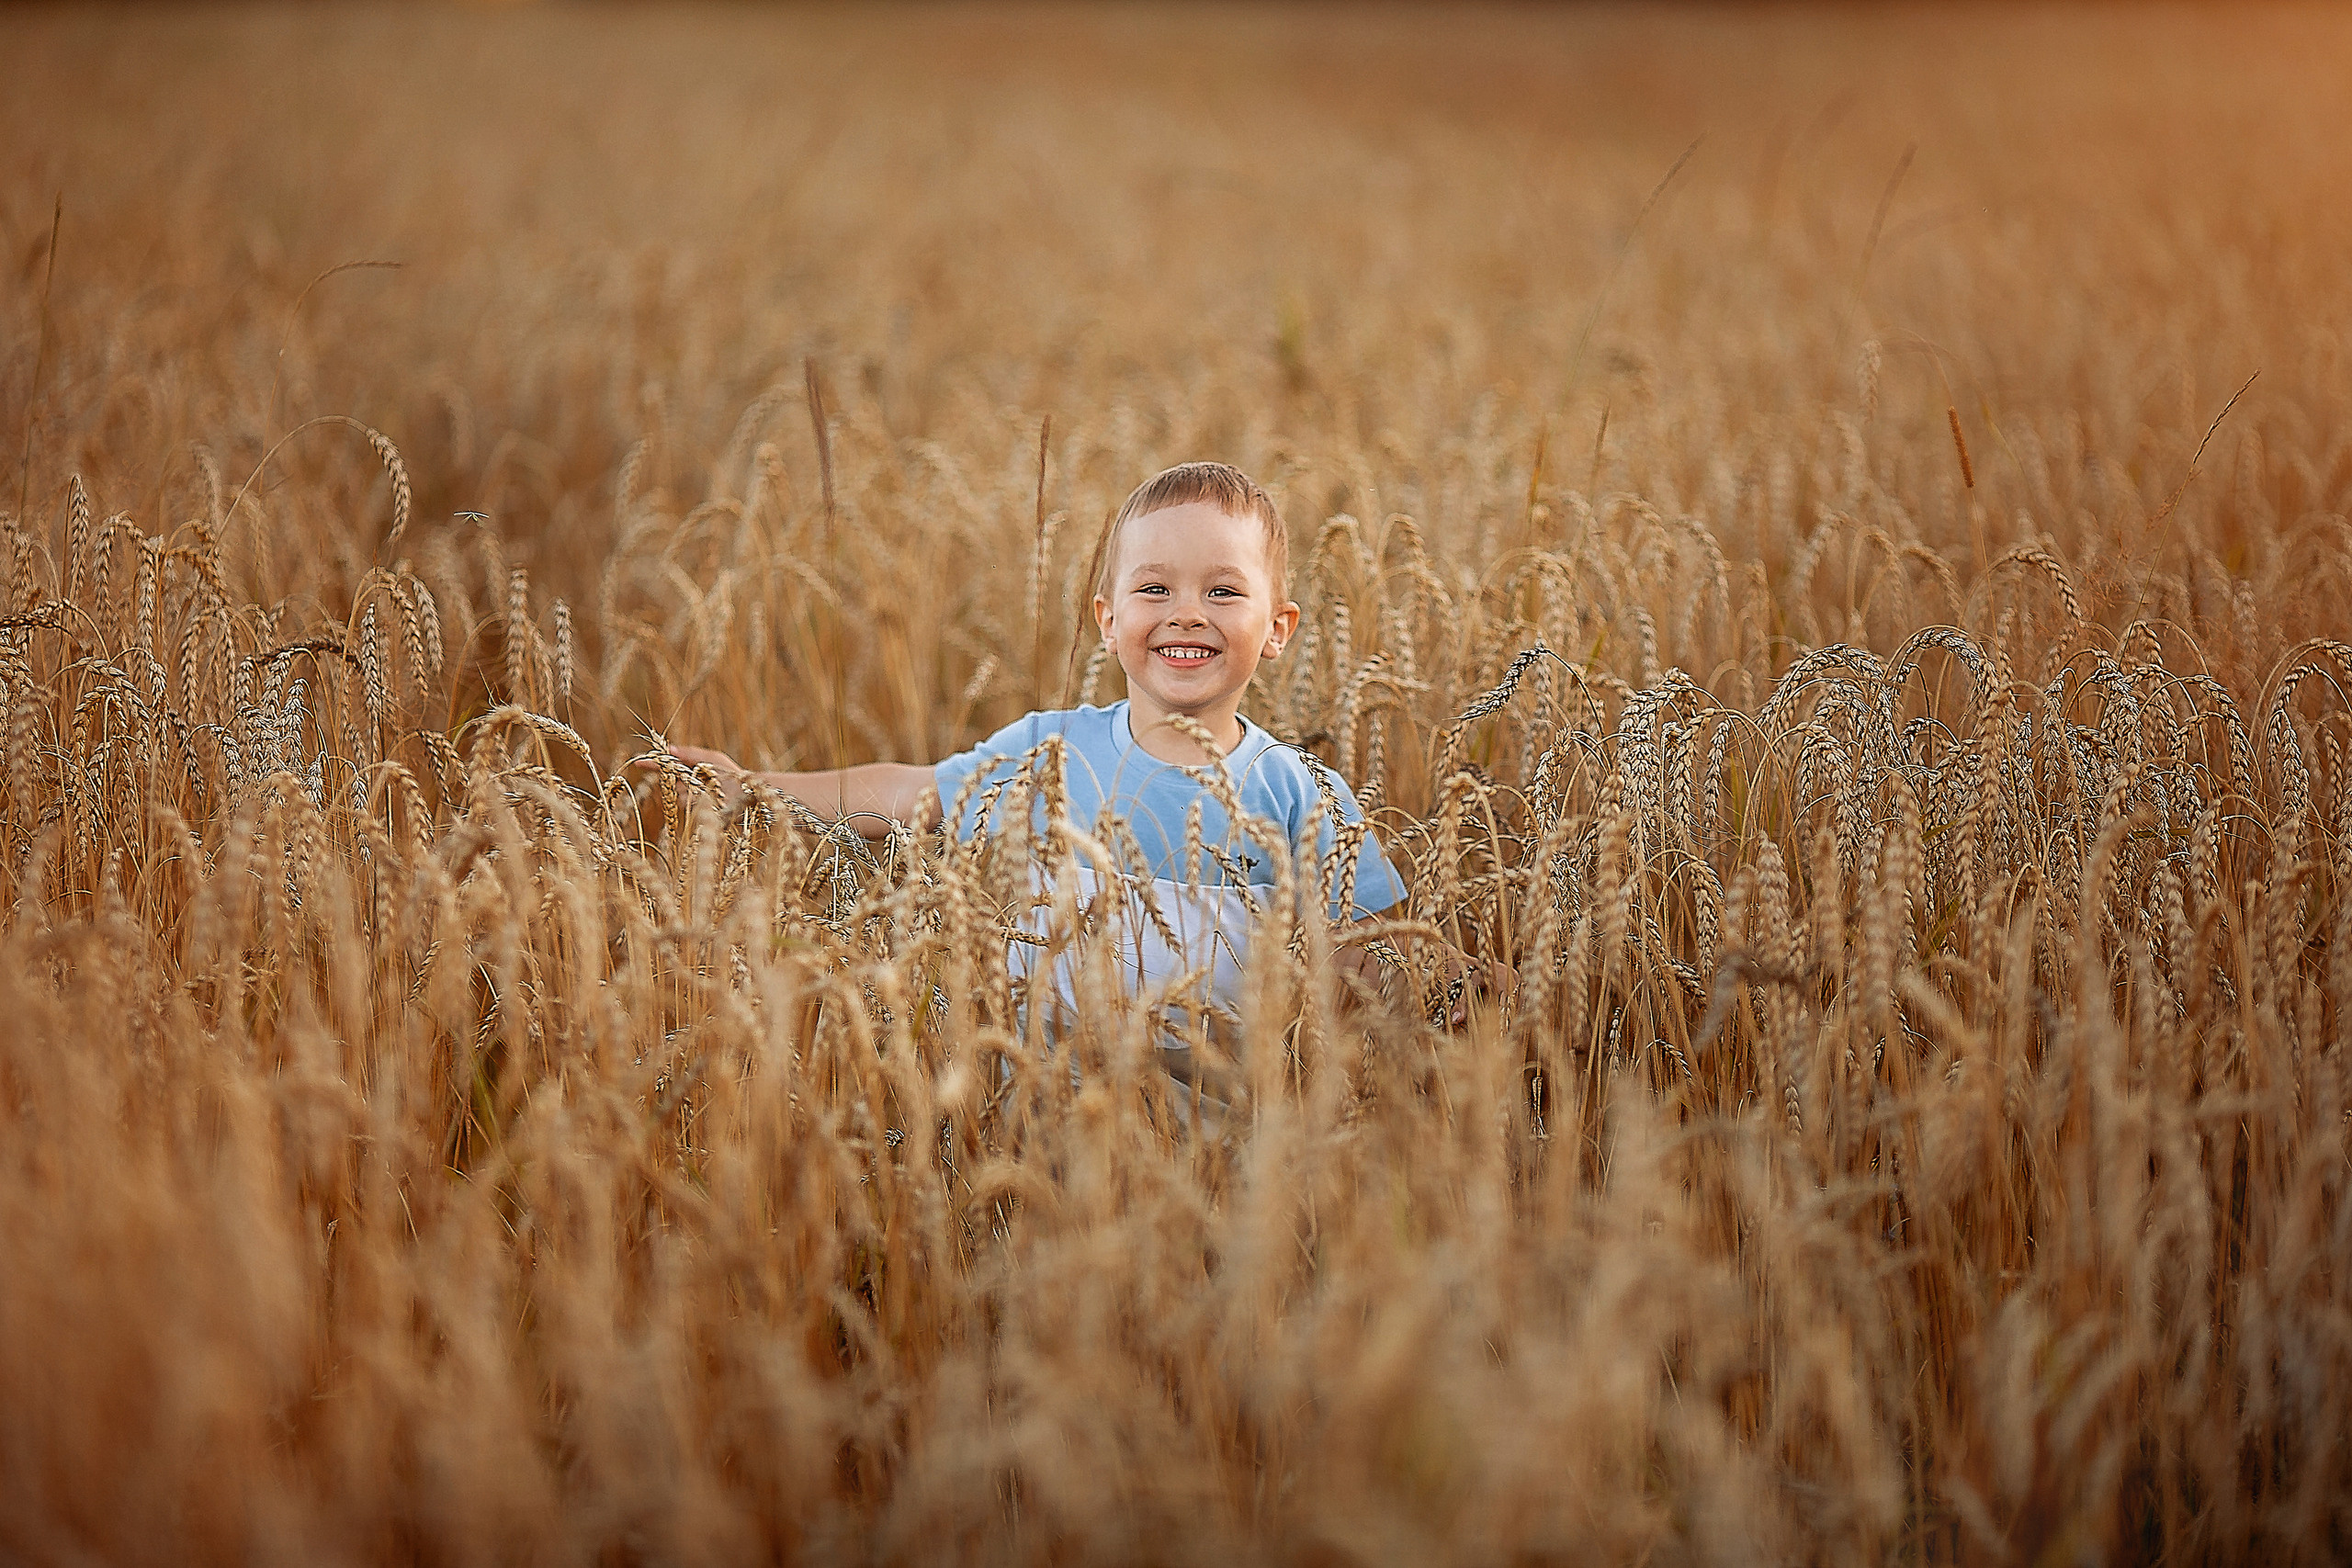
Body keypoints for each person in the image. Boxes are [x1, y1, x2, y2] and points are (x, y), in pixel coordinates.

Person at [669, 461, 1513, 1089]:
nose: (1188, 612)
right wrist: (755, 784)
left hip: (1226, 1129)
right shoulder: (1050, 754)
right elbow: (908, 795)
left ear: (1279, 626)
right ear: (1109, 623)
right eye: (1156, 588)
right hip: (1054, 1108)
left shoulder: (1301, 793)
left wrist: (1462, 990)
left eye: (1224, 591)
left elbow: (1375, 955)